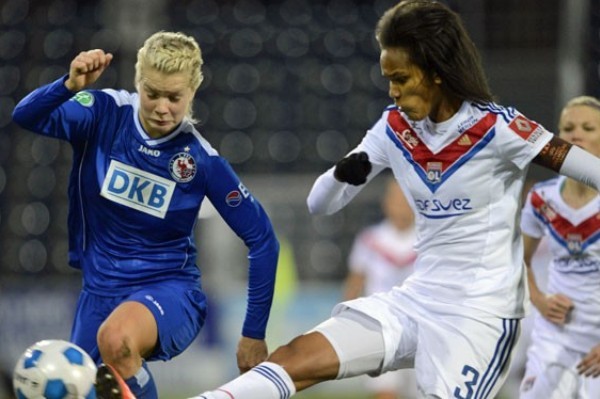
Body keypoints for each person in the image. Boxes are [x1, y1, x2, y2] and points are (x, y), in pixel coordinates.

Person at [189, 1, 600, 398]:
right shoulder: (393, 128)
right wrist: (341, 173)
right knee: (295, 357)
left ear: (436, 72)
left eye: (401, 78)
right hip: (417, 299)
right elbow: (320, 204)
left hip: (480, 317)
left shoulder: (499, 127)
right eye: (389, 78)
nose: (393, 90)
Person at [11, 31, 280, 399]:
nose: (162, 107)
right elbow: (25, 116)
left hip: (169, 292)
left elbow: (263, 240)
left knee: (116, 338)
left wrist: (253, 333)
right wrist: (68, 85)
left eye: (175, 97)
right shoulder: (103, 112)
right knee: (77, 392)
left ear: (192, 93)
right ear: (138, 82)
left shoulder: (200, 160)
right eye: (152, 93)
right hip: (99, 293)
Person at [518, 96, 600, 398]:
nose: (576, 134)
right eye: (567, 128)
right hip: (554, 338)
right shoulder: (541, 199)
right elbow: (520, 261)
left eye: (588, 127)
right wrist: (538, 299)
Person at [342, 178, 417, 399]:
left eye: (406, 198)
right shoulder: (370, 240)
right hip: (382, 330)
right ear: (386, 202)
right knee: (385, 393)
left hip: (422, 332)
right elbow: (355, 282)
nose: (400, 204)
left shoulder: (429, 240)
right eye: (395, 198)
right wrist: (347, 324)